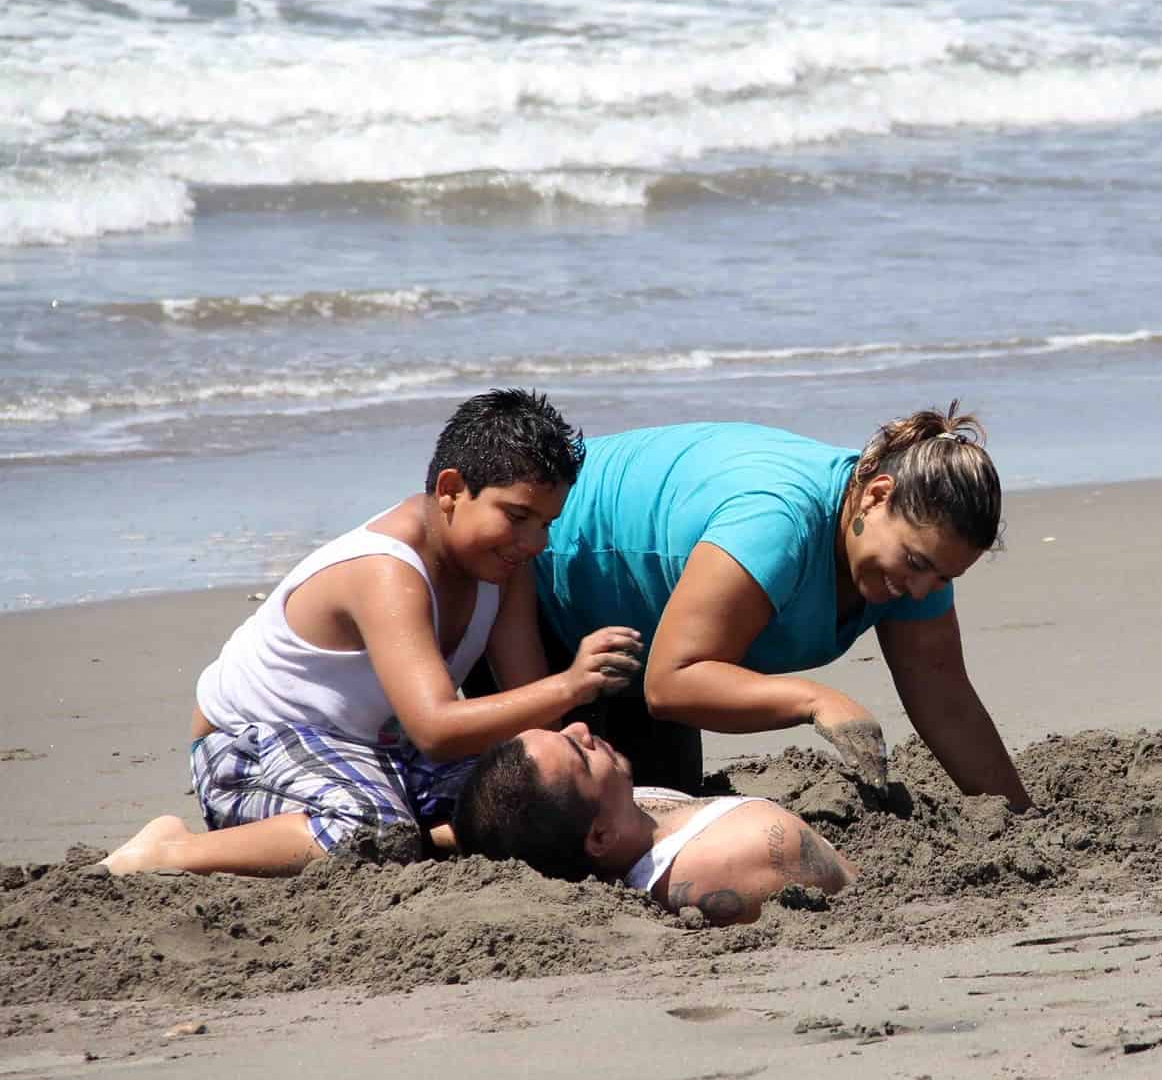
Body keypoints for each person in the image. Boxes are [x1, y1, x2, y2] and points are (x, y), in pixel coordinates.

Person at [101, 389, 645, 876]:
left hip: (383, 752)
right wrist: (574, 682)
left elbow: (536, 719)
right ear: (452, 489)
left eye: (546, 523)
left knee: (540, 803)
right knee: (372, 833)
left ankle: (420, 836)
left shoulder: (503, 567)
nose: (534, 541)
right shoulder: (386, 570)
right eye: (518, 515)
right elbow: (435, 729)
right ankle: (171, 851)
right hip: (256, 745)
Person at [468, 404, 1032, 810]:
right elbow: (673, 683)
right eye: (915, 563)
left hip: (636, 639)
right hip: (526, 581)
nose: (920, 590)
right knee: (558, 815)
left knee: (664, 796)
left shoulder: (913, 564)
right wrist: (815, 700)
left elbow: (946, 698)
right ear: (877, 495)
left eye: (944, 576)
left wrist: (1019, 819)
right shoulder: (776, 522)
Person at [452, 721, 853, 926]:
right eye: (579, 753)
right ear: (600, 836)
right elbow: (847, 889)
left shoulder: (617, 814)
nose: (581, 728)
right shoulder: (744, 851)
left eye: (564, 732)